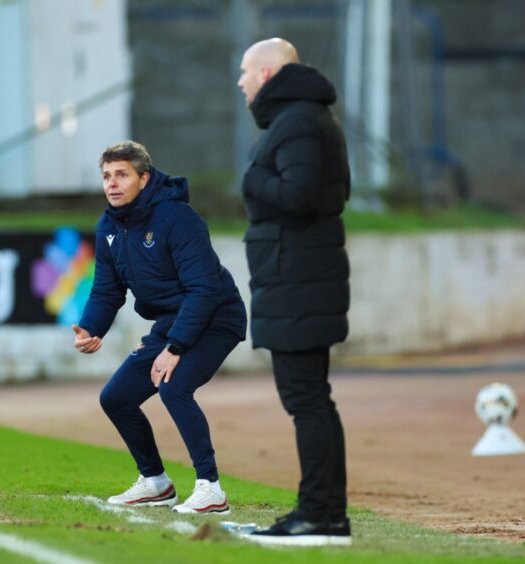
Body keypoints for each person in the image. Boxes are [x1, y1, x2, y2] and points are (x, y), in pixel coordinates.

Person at [73, 140, 246, 515]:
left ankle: (210, 488)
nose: (112, 184)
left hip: (217, 316)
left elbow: (204, 289)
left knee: (174, 387)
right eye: (106, 176)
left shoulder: (177, 218)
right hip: (174, 323)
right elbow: (107, 289)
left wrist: (175, 347)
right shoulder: (109, 226)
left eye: (122, 175)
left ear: (144, 178)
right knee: (115, 398)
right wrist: (91, 327)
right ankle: (155, 482)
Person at [236, 38, 352, 545]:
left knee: (307, 400)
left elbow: (301, 196)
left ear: (265, 73)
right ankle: (322, 513)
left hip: (299, 283)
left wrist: (253, 177)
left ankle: (320, 516)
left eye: (244, 72)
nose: (239, 82)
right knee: (311, 400)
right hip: (297, 280)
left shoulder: (300, 121)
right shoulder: (303, 119)